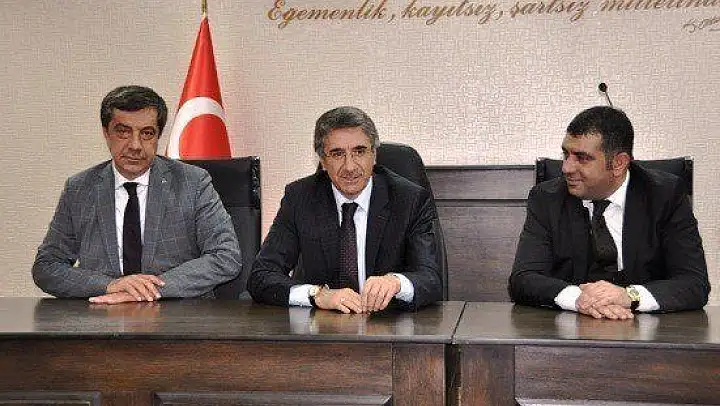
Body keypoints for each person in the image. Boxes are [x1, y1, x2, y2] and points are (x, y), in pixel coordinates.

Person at [33, 85, 242, 304]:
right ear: (106, 133)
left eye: (147, 133)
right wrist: (110, 285)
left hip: (178, 314)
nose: (135, 145)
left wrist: (147, 289)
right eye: (123, 132)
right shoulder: (79, 189)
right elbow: (46, 266)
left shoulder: (193, 183)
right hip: (104, 315)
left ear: (158, 136)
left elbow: (226, 256)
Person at [509, 106, 709, 319]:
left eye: (582, 158)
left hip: (647, 328)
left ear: (619, 163)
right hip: (570, 327)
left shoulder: (665, 196)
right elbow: (523, 279)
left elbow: (694, 283)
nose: (566, 167)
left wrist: (629, 295)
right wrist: (578, 298)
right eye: (566, 154)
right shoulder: (547, 198)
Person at [248, 106, 442, 313]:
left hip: (390, 324)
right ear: (323, 161)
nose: (350, 166)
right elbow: (261, 276)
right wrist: (317, 295)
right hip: (322, 326)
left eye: (359, 151)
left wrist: (396, 282)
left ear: (374, 155)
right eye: (337, 154)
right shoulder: (300, 198)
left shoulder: (409, 200)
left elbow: (430, 279)